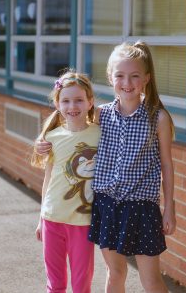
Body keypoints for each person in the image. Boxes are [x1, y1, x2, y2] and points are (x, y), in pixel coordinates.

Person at [36, 41, 176, 293]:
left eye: (134, 76)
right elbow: (70, 117)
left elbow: (167, 164)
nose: (127, 82)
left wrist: (169, 208)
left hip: (142, 207)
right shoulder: (102, 114)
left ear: (146, 78)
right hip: (107, 205)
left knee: (151, 280)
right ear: (110, 78)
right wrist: (43, 140)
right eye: (120, 75)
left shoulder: (159, 117)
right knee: (115, 273)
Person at [31, 71, 101, 293]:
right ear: (57, 104)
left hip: (83, 222)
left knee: (82, 284)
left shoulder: (100, 134)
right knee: (55, 283)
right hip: (53, 218)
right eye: (66, 100)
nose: (73, 106)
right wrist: (41, 217)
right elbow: (48, 179)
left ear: (90, 102)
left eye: (79, 99)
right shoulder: (52, 138)